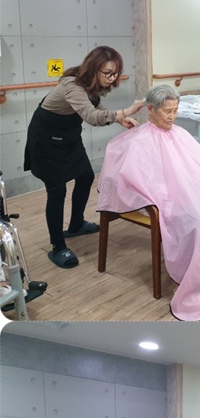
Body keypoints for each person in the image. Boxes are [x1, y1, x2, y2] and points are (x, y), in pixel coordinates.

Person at [96, 84, 200, 320]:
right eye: (167, 111)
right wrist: (162, 197)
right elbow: (129, 180)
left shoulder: (180, 134)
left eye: (175, 110)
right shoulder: (138, 141)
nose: (172, 116)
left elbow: (199, 170)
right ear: (150, 109)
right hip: (164, 200)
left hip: (189, 191)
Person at [24, 46, 145, 269]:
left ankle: (76, 225)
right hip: (45, 140)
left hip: (68, 137)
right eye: (107, 73)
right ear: (93, 68)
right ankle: (58, 246)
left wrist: (119, 119)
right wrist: (126, 111)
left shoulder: (92, 84)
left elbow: (95, 104)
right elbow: (91, 116)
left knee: (86, 175)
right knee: (57, 190)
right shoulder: (72, 84)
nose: (112, 78)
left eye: (116, 73)